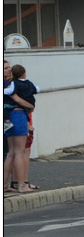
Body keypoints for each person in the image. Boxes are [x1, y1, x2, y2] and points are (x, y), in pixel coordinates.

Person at [3, 63, 38, 193]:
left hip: (8, 116)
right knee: (19, 151)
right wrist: (30, 105)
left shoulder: (10, 83)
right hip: (18, 115)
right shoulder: (11, 84)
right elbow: (18, 99)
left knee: (11, 152)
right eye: (5, 68)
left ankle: (5, 184)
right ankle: (22, 185)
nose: (9, 70)